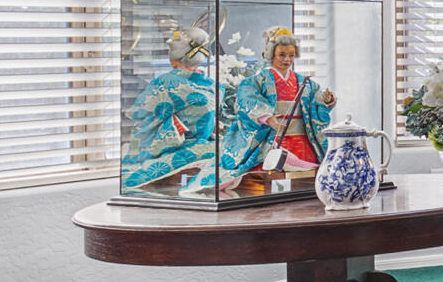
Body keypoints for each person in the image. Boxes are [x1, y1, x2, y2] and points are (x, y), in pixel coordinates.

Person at [221, 26, 336, 185]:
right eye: (282, 55)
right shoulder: (257, 81)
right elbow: (246, 100)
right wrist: (267, 118)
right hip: (273, 137)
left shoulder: (305, 83)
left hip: (301, 139)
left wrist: (325, 100)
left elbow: (314, 100)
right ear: (271, 54)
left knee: (307, 179)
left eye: (291, 55)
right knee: (275, 173)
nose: (287, 60)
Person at [121, 24, 217, 192]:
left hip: (179, 143)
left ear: (173, 60)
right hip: (204, 140)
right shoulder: (210, 83)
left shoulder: (166, 82)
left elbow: (137, 112)